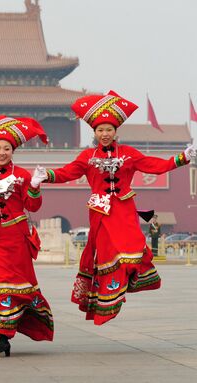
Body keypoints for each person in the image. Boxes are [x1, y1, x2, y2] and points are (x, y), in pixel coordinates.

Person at [34, 90, 196, 325]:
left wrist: (181, 158)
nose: (105, 134)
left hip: (124, 209)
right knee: (108, 254)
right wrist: (46, 175)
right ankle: (109, 296)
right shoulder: (87, 157)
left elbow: (154, 165)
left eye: (109, 129)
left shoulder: (129, 154)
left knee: (133, 248)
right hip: (101, 213)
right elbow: (67, 173)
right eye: (100, 130)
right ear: (95, 133)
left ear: (116, 131)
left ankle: (129, 281)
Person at [0, 115, 53, 357]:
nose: (1, 152)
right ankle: (3, 333)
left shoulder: (23, 175)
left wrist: (34, 186)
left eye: (6, 148)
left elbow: (33, 207)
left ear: (12, 151)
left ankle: (5, 334)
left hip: (16, 236)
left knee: (15, 284)